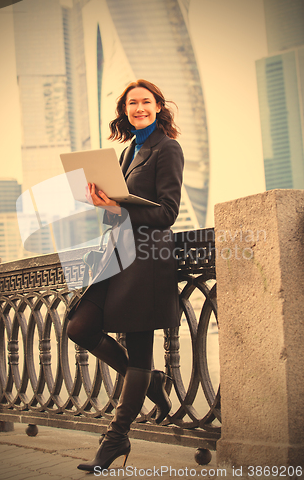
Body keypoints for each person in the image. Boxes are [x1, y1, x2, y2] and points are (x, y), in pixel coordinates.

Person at [66, 79, 184, 471]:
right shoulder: (128, 150)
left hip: (147, 263)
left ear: (158, 107)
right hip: (116, 257)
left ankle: (115, 439)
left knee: (138, 350)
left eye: (145, 102)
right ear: (124, 110)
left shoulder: (166, 148)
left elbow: (167, 213)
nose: (138, 108)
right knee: (79, 326)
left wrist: (118, 212)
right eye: (132, 103)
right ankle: (151, 382)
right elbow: (117, 211)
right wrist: (100, 202)